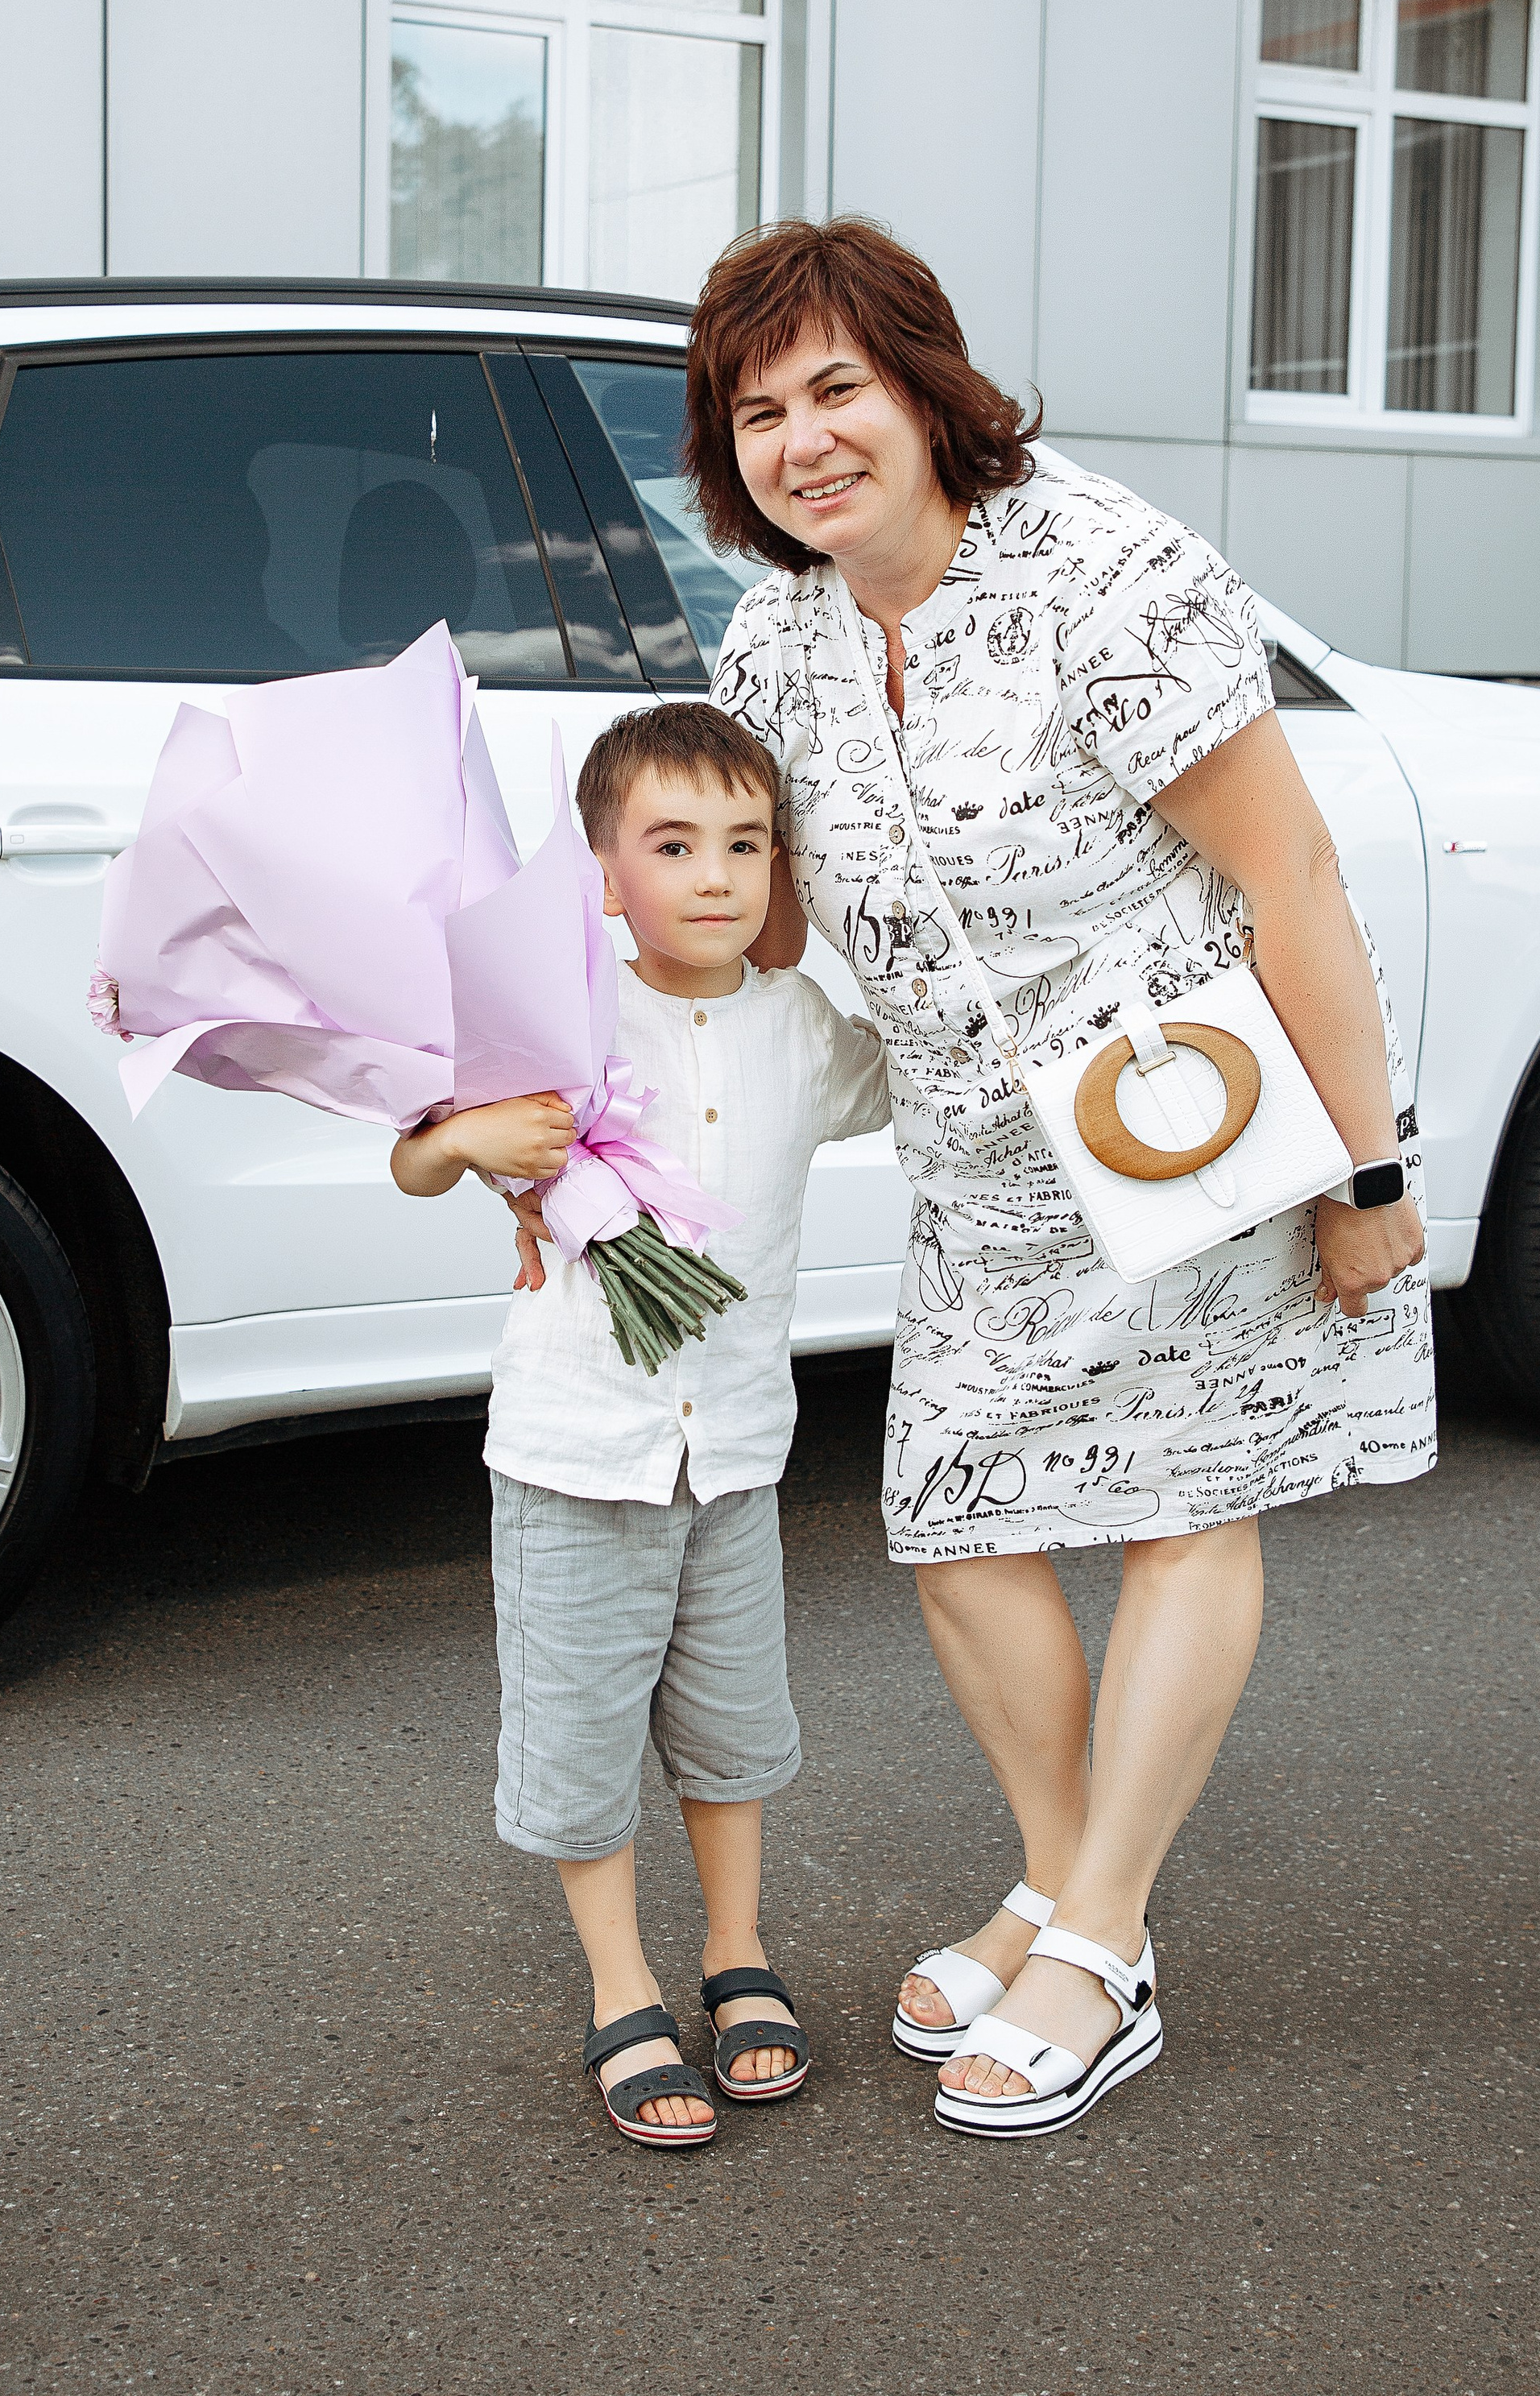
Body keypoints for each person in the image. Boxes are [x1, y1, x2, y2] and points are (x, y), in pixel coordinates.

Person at [688, 214, 1435, 2141]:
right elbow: (765, 922)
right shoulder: (776, 633)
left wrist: (1364, 1169)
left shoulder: (1104, 577)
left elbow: (1291, 879)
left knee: (1177, 1513)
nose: (802, 440)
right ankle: (1058, 1877)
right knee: (950, 1514)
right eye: (757, 411)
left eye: (835, 388)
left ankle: (1098, 1944)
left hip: (1182, 1117)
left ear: (926, 387)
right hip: (982, 1169)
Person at [391, 700, 890, 2150]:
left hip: (733, 1450)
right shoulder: (562, 1019)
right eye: (675, 845)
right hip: (578, 1454)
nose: (719, 875)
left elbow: (923, 1068)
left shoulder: (799, 1025)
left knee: (735, 1731)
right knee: (586, 1735)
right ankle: (624, 1981)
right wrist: (470, 1141)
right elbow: (419, 1149)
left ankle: (738, 1954)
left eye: (748, 845)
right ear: (604, 873)